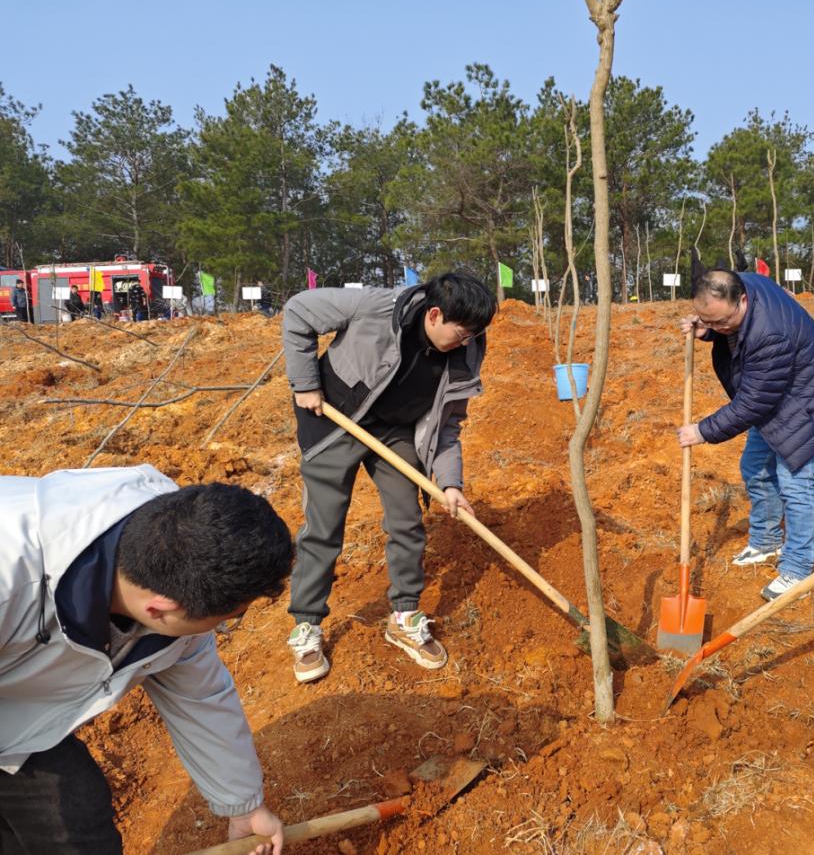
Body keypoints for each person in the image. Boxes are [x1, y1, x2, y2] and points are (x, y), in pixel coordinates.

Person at [0, 465, 294, 853]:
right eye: (230, 618)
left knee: (78, 825)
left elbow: (200, 697)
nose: (227, 625)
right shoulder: (11, 574)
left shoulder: (178, 546)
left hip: (20, 716)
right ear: (159, 610)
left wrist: (243, 806)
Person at [281, 271, 497, 682]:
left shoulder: (467, 352)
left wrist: (450, 482)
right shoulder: (377, 307)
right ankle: (306, 625)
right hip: (334, 419)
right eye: (463, 333)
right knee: (324, 527)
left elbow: (448, 424)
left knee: (406, 521)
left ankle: (403, 616)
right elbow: (298, 311)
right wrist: (305, 383)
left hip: (396, 430)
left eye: (475, 335)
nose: (468, 342)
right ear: (434, 315)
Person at [677, 264, 814, 600]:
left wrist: (703, 431)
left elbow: (752, 404)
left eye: (722, 322)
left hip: (808, 401)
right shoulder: (743, 286)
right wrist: (707, 329)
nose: (718, 328)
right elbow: (728, 332)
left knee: (794, 482)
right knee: (754, 466)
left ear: (742, 300)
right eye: (708, 319)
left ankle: (798, 570)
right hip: (780, 395)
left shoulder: (770, 333)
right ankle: (767, 540)